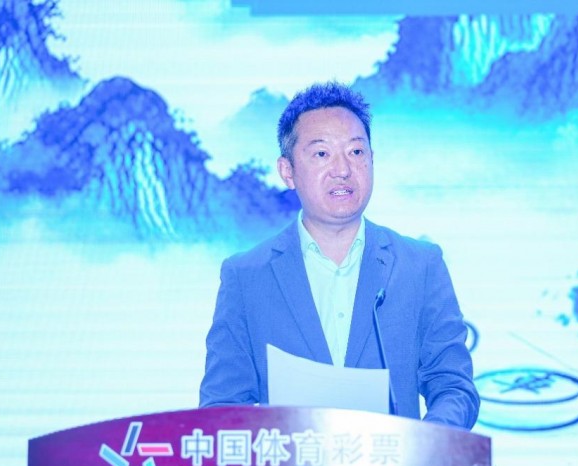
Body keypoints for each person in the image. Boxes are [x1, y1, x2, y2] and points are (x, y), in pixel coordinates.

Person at [199, 81, 479, 429]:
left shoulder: (419, 265)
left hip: (396, 462)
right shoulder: (246, 276)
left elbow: (454, 388)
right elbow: (221, 406)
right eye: (322, 154)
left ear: (372, 160)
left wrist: (426, 443)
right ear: (287, 171)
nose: (343, 169)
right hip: (293, 463)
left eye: (356, 152)